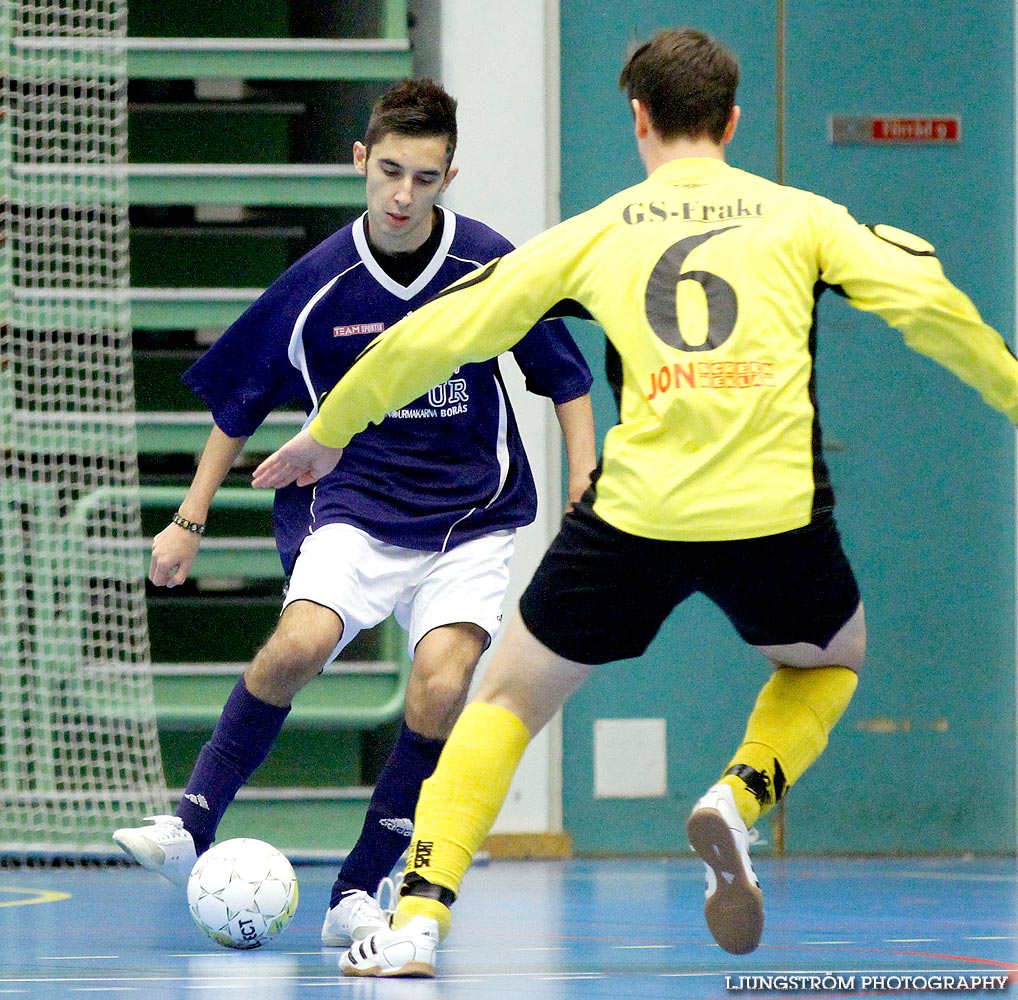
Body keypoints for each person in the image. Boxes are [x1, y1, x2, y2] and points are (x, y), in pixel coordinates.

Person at [252, 27, 1018, 979]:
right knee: (831, 661)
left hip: (637, 517)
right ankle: (737, 799)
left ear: (639, 119)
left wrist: (333, 428)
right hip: (773, 513)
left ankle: (414, 921)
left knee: (504, 702)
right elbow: (929, 303)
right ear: (732, 122)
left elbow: (439, 332)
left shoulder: (598, 230)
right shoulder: (804, 217)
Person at [112, 77, 596, 949]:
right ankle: (192, 821)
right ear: (361, 162)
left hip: (471, 519)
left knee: (443, 685)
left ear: (451, 176)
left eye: (426, 177)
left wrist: (586, 479)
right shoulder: (318, 284)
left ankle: (356, 891)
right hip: (356, 508)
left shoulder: (486, 265)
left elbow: (563, 376)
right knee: (297, 644)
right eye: (391, 174)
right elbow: (239, 403)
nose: (404, 196)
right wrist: (187, 521)